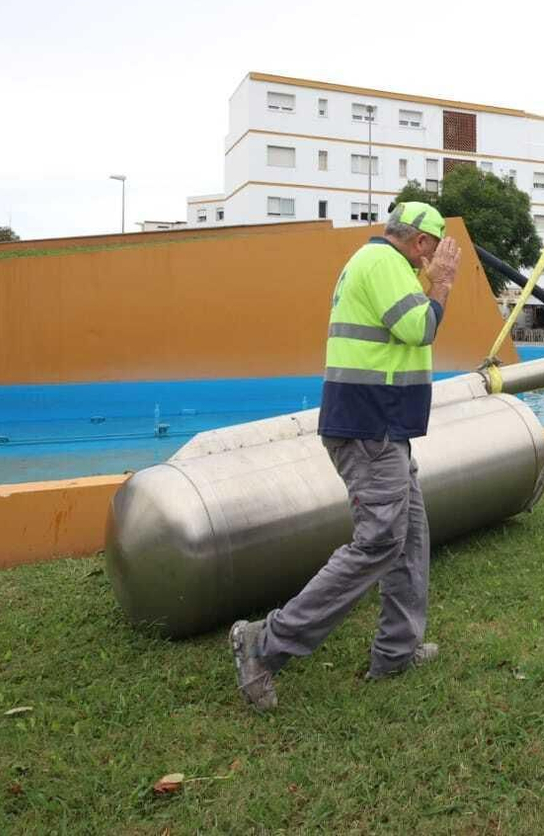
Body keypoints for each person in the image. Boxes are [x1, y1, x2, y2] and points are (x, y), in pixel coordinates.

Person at [230, 201, 461, 711]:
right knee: (380, 540)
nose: (441, 257)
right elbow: (420, 329)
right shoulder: (384, 264)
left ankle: (396, 652)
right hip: (369, 426)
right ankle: (264, 645)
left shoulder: (379, 264)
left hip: (382, 425)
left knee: (410, 536)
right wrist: (441, 284)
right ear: (420, 243)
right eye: (437, 247)